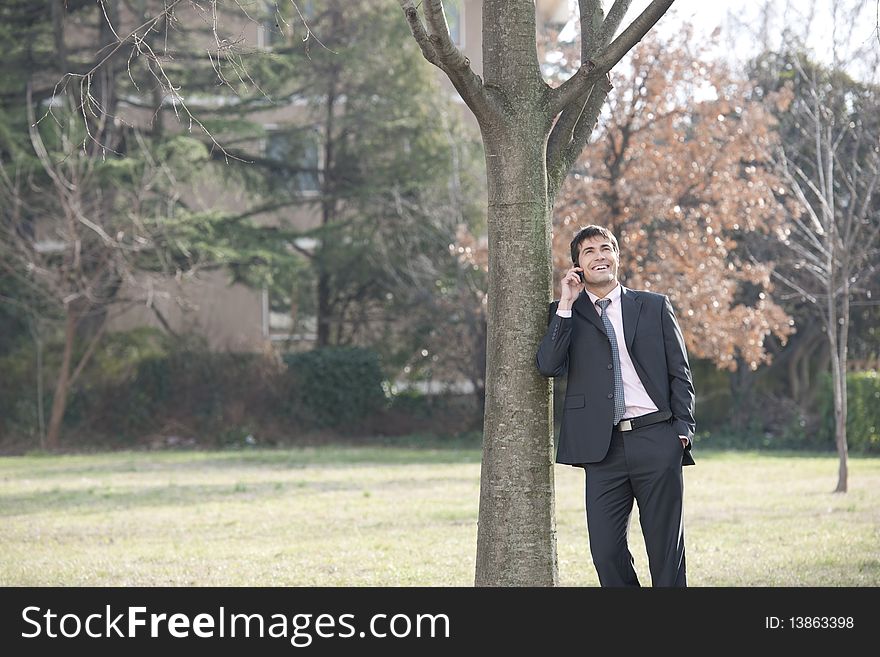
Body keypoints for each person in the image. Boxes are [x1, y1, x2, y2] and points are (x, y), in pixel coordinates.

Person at [536, 225, 695, 587]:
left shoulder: (654, 306)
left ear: (617, 257)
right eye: (589, 251)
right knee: (606, 552)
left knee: (665, 550)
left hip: (657, 436)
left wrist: (683, 431)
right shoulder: (566, 314)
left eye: (605, 249)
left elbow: (679, 373)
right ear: (577, 265)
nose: (599, 256)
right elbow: (548, 365)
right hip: (601, 448)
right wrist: (565, 303)